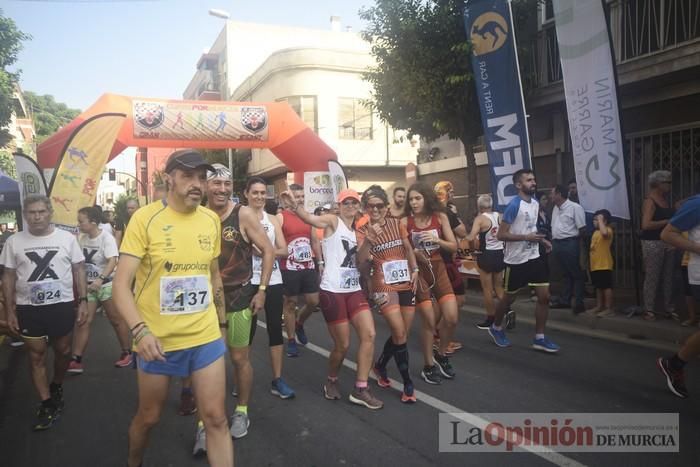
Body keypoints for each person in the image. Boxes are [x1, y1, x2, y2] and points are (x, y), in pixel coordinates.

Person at [113, 150, 233, 467]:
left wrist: (221, 325)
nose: (197, 184)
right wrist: (140, 332)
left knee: (216, 419)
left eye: (201, 177)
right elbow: (120, 285)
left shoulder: (210, 219)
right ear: (169, 179)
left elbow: (213, 276)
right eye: (188, 176)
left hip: (204, 337)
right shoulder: (144, 218)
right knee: (149, 417)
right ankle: (133, 461)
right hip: (157, 341)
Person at [280, 188, 383, 409]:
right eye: (346, 202)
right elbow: (310, 218)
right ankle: (332, 379)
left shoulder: (356, 231)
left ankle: (361, 388)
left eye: (354, 203)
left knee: (370, 334)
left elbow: (361, 261)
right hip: (332, 291)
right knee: (342, 345)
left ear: (358, 206)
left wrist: (369, 242)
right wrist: (294, 205)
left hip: (353, 289)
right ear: (339, 204)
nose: (350, 206)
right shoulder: (331, 221)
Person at [194, 164, 275, 448]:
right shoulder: (197, 215)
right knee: (208, 364)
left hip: (239, 297)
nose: (222, 189)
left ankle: (241, 412)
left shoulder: (243, 214)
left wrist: (262, 290)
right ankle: (205, 423)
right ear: (205, 186)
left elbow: (268, 250)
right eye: (216, 183)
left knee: (239, 359)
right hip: (205, 302)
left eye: (227, 184)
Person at [0, 195, 88, 430]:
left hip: (61, 304)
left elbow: (79, 269)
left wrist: (83, 301)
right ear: (25, 214)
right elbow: (7, 276)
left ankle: (57, 383)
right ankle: (47, 402)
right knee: (36, 355)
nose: (36, 216)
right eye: (31, 212)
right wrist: (9, 309)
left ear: (50, 213)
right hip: (29, 308)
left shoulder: (66, 239)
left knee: (63, 350)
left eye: (41, 211)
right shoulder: (14, 242)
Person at [356, 185, 420, 403]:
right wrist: (368, 240)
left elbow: (408, 248)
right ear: (365, 207)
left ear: (386, 206)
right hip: (383, 284)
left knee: (402, 334)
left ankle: (380, 365)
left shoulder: (396, 223)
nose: (375, 210)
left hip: (405, 281)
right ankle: (408, 384)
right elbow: (361, 261)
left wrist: (415, 270)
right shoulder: (363, 229)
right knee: (399, 331)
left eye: (379, 206)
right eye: (370, 206)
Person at [488, 169, 559, 353]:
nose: (533, 182)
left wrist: (542, 240)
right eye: (529, 180)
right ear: (519, 185)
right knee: (508, 299)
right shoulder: (513, 206)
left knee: (544, 297)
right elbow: (502, 235)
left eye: (534, 179)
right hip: (516, 261)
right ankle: (495, 327)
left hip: (534, 256)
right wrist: (526, 237)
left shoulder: (535, 204)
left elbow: (530, 228)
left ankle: (539, 338)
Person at [402, 182, 458, 384]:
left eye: (418, 198)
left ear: (426, 198)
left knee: (451, 317)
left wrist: (438, 242)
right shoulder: (405, 222)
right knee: (428, 320)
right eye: (411, 199)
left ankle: (441, 355)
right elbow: (401, 251)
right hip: (419, 272)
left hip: (438, 268)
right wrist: (414, 253)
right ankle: (428, 365)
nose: (414, 202)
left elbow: (454, 246)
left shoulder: (440, 217)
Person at [246, 177, 296, 399]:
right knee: (247, 333)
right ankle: (242, 377)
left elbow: (284, 250)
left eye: (262, 193)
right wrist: (252, 252)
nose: (258, 197)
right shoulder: (240, 217)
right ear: (246, 194)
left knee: (276, 329)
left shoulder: (273, 219)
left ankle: (277, 379)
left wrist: (266, 252)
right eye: (254, 192)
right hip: (248, 280)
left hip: (273, 279)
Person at [68, 207, 132, 374]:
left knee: (116, 320)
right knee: (83, 320)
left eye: (81, 221)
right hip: (88, 286)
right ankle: (76, 359)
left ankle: (127, 352)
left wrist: (100, 279)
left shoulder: (106, 238)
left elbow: (113, 260)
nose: (79, 224)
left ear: (93, 223)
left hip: (106, 285)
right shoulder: (81, 238)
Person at [657, 190, 700, 398]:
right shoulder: (696, 204)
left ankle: (675, 363)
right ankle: (675, 363)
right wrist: (698, 248)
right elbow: (667, 234)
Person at [278, 183, 321, 356]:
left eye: (303, 196)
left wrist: (320, 262)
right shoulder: (281, 217)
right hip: (289, 267)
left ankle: (299, 323)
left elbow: (315, 241)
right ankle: (290, 340)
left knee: (313, 302)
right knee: (290, 303)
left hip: (308, 265)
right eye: (297, 197)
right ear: (290, 199)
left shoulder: (308, 217)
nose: (301, 199)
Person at [640, 170, 676, 321]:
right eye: (667, 182)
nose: (669, 185)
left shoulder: (665, 200)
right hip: (652, 242)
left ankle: (668, 307)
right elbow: (646, 225)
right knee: (652, 276)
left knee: (668, 276)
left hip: (667, 241)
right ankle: (649, 308)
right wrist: (667, 221)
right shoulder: (650, 201)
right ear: (658, 184)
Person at [467, 194, 505, 330]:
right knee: (499, 287)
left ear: (479, 206)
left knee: (487, 289)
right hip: (500, 253)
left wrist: (472, 251)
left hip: (486, 255)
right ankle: (508, 311)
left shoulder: (480, 219)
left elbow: (471, 237)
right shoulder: (500, 216)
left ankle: (491, 318)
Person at [549, 184, 587, 314]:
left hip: (570, 243)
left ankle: (578, 303)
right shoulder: (555, 208)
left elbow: (582, 228)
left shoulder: (575, 208)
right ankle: (565, 300)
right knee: (565, 274)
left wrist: (579, 246)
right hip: (557, 243)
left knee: (576, 273)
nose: (550, 196)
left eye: (552, 193)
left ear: (559, 194)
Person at [587, 209, 614, 317]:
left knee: (606, 286)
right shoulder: (595, 232)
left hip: (604, 264)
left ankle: (609, 308)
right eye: (594, 219)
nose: (595, 221)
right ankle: (599, 306)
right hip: (595, 265)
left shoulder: (608, 230)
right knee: (598, 287)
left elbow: (604, 233)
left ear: (605, 221)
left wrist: (601, 221)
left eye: (597, 219)